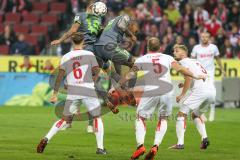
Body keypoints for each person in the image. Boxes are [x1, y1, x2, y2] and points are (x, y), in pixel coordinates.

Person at [122, 37, 205, 160]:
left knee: (140, 117)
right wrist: (196, 75)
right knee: (163, 118)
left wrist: (117, 85)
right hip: (167, 91)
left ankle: (140, 146)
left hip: (151, 91)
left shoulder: (142, 59)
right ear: (160, 47)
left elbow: (131, 74)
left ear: (147, 47)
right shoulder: (168, 58)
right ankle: (155, 146)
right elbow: (181, 69)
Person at [37, 32, 115, 155]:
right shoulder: (89, 54)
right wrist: (92, 80)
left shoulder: (66, 57)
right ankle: (100, 148)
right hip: (87, 89)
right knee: (96, 117)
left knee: (65, 119)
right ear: (83, 42)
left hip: (73, 90)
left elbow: (59, 76)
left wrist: (55, 94)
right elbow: (96, 71)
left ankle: (46, 138)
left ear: (72, 42)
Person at [51, 1, 107, 133]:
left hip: (84, 51)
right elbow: (100, 36)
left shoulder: (80, 15)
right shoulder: (98, 19)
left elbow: (73, 30)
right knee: (92, 86)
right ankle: (90, 123)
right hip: (96, 53)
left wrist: (60, 40)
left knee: (75, 85)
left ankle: (68, 121)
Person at [170, 44, 215, 150]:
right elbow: (194, 78)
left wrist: (182, 94)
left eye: (177, 51)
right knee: (195, 115)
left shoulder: (183, 62)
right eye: (174, 51)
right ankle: (204, 138)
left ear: (184, 53)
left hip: (201, 91)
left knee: (181, 114)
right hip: (211, 92)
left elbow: (189, 77)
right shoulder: (195, 61)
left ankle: (180, 143)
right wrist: (184, 84)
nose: (174, 53)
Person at [191, 32, 225, 121]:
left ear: (209, 38)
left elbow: (218, 59)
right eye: (203, 37)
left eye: (206, 37)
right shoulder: (196, 48)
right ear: (200, 38)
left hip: (210, 73)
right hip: (199, 73)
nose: (204, 38)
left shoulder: (213, 47)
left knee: (211, 92)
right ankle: (201, 113)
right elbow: (192, 60)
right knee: (200, 92)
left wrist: (222, 69)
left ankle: (212, 111)